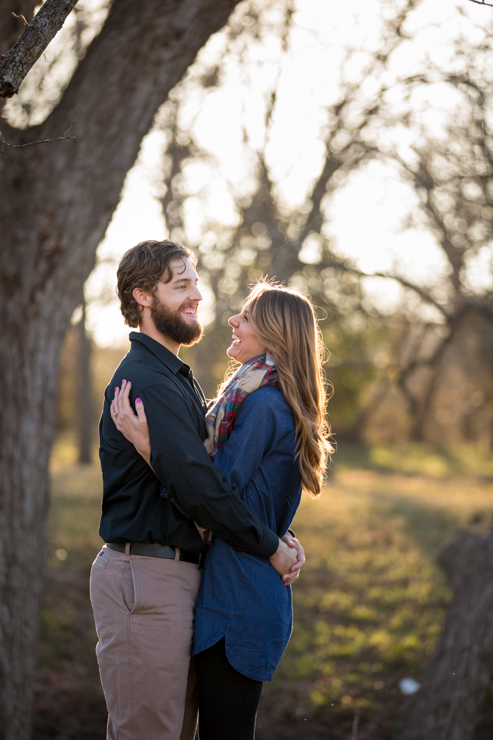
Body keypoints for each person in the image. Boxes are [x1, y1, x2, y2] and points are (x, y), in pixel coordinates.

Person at [90, 239, 302, 740]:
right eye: (180, 285)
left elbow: (223, 476)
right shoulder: (148, 380)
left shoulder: (179, 378)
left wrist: (278, 529)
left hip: (174, 580)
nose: (197, 296)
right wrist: (269, 545)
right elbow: (201, 488)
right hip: (144, 577)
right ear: (143, 296)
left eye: (195, 283)